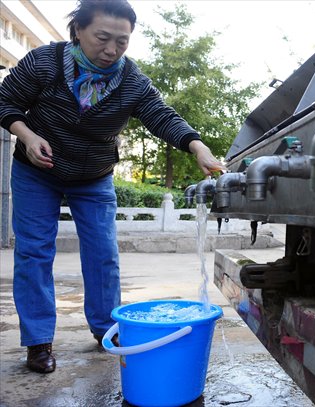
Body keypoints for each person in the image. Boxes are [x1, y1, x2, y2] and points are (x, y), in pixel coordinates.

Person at [0, 0, 224, 373]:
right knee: (34, 253)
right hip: (37, 170)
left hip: (93, 175)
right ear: (78, 31)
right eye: (102, 38)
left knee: (104, 255)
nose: (111, 50)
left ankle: (108, 329)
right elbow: (5, 100)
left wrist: (197, 147)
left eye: (122, 41)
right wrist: (26, 135)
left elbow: (161, 115)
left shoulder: (132, 81)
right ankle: (38, 341)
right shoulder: (43, 62)